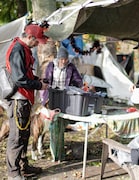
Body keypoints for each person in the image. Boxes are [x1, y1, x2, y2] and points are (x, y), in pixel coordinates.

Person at [5, 24, 49, 180]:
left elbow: (26, 74)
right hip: (18, 99)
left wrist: (38, 80)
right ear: (30, 37)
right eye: (37, 41)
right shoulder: (17, 49)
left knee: (24, 135)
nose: (38, 44)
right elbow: (19, 79)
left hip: (24, 99)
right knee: (16, 137)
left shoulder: (23, 49)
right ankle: (13, 173)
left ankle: (24, 167)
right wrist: (38, 85)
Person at [43, 46, 83, 162]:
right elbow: (46, 80)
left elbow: (78, 80)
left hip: (65, 97)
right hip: (52, 96)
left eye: (65, 59)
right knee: (52, 123)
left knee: (61, 123)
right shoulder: (51, 66)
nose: (64, 61)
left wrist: (80, 84)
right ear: (58, 58)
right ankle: (54, 152)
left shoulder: (70, 66)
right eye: (62, 59)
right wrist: (44, 97)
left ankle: (60, 151)